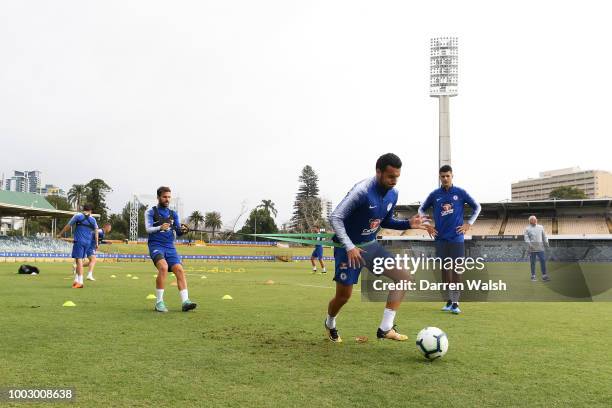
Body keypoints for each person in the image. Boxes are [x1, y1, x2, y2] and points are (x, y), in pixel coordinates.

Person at [325, 153, 433, 343]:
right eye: (390, 176)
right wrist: (349, 246)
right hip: (348, 249)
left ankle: (385, 328)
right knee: (343, 296)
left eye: (397, 176)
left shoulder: (394, 193)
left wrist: (408, 223)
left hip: (371, 246)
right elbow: (335, 217)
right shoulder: (362, 191)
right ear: (378, 172)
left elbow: (386, 221)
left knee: (404, 278)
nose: (394, 181)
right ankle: (330, 322)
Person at [418, 165, 481, 314]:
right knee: (445, 270)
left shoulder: (460, 193)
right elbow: (421, 209)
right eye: (442, 176)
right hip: (440, 238)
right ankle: (448, 300)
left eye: (448, 176)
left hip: (456, 237)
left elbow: (477, 207)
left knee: (456, 269)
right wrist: (427, 225)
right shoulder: (435, 194)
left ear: (452, 176)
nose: (445, 178)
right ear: (439, 177)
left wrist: (468, 224)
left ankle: (456, 303)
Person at [145, 186, 197, 312]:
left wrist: (183, 230)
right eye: (164, 197)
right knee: (163, 267)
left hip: (170, 246)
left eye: (169, 197)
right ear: (158, 197)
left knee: (179, 270)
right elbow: (148, 229)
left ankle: (185, 302)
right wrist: (160, 228)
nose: (167, 199)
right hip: (156, 245)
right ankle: (159, 303)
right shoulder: (150, 212)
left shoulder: (173, 213)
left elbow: (178, 231)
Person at [57, 204, 98, 288]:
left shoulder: (78, 216)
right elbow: (96, 231)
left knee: (78, 261)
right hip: (88, 242)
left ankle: (80, 282)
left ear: (83, 209)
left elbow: (68, 226)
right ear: (91, 211)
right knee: (79, 260)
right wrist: (97, 243)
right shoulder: (93, 219)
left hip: (79, 241)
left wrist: (60, 234)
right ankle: (76, 280)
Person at [524, 215, 550, 282]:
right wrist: (530, 245)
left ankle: (544, 276)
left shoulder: (541, 227)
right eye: (533, 219)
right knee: (533, 262)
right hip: (532, 249)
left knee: (543, 260)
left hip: (540, 248)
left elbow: (544, 236)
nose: (535, 220)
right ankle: (533, 276)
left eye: (536, 219)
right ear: (530, 221)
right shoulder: (527, 229)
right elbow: (526, 238)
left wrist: (546, 243)